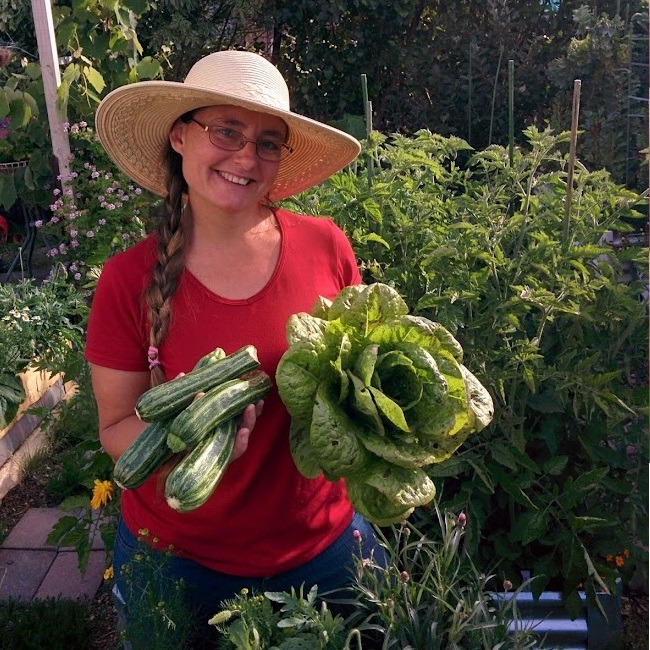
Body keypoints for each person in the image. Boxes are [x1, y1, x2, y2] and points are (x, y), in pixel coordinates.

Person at [85, 49, 387, 647]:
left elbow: (357, 368)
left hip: (323, 554)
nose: (246, 157)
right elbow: (117, 424)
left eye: (269, 142)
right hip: (177, 563)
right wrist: (186, 450)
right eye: (226, 130)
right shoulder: (128, 280)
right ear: (180, 135)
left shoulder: (326, 246)